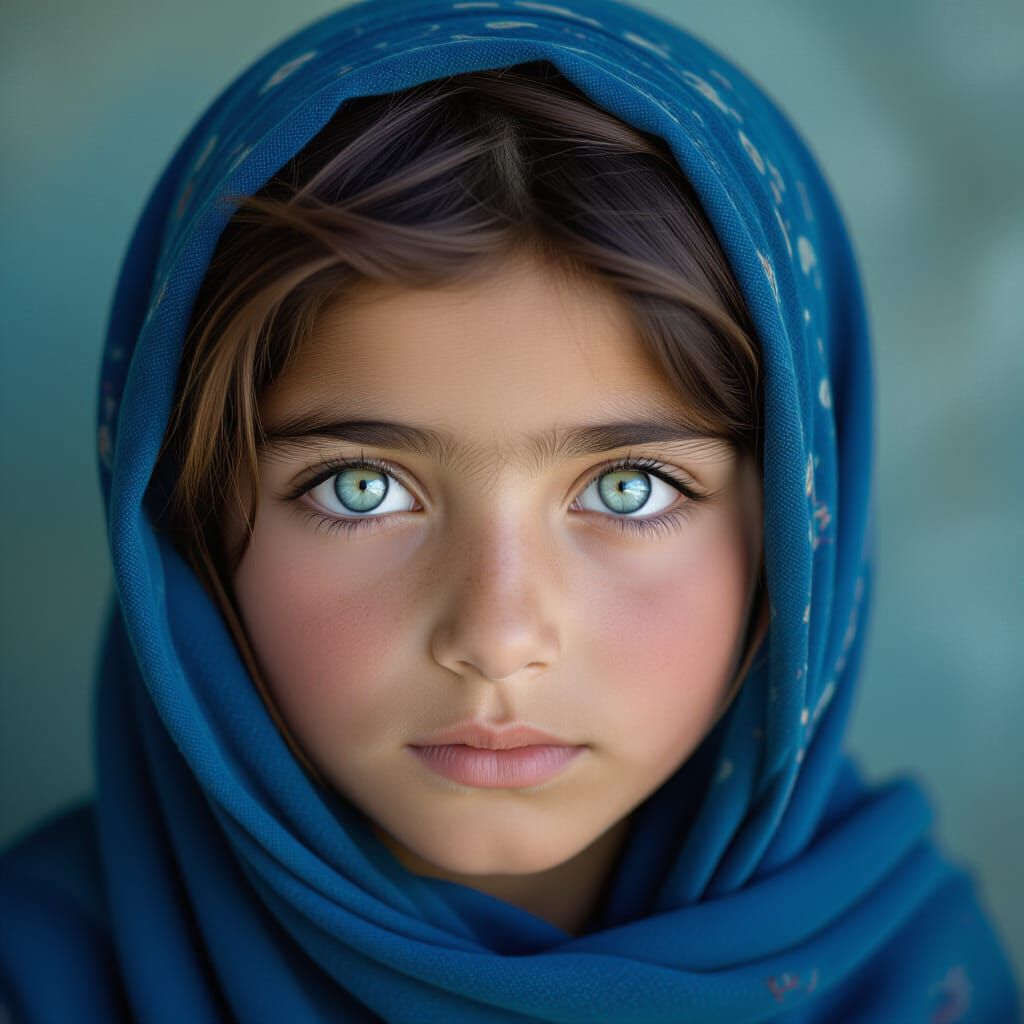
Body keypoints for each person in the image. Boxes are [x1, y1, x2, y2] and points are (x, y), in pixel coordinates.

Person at [0, 0, 1019, 1020]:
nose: (497, 637)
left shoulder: (919, 984)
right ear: (186, 527)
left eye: (630, 488)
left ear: (797, 536)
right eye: (363, 488)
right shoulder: (41, 979)